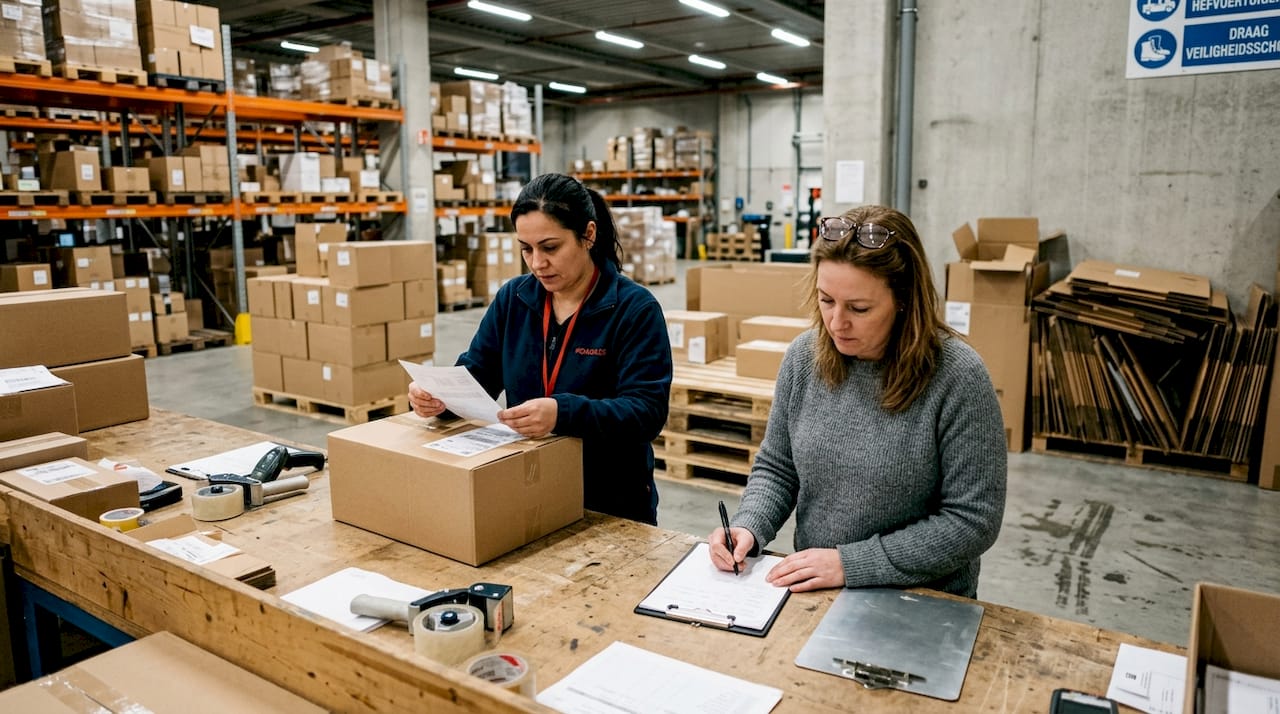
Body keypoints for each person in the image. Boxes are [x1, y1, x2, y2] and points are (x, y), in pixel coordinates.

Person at [708, 205, 1007, 598]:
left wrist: (851, 563)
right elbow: (779, 467)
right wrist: (749, 525)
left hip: (922, 599)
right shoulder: (804, 358)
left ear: (903, 299)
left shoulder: (957, 377)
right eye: (826, 300)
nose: (836, 323)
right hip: (817, 591)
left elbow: (972, 520)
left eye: (859, 308)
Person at [408, 173, 673, 524]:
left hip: (610, 503)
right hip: (530, 487)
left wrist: (563, 414)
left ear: (588, 235)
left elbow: (646, 413)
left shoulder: (633, 310)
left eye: (550, 248)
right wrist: (439, 398)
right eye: (526, 248)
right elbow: (478, 374)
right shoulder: (514, 299)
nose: (536, 263)